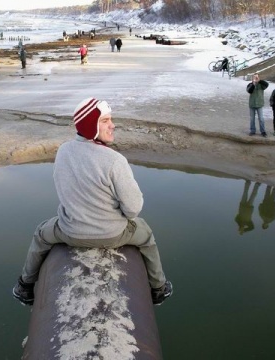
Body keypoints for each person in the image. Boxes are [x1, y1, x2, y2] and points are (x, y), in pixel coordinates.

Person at [12, 97, 173, 306]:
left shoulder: (64, 151)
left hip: (69, 233)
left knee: (41, 234)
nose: (112, 125)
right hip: (113, 235)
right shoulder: (115, 160)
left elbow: (62, 188)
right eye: (105, 120)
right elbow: (133, 209)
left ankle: (24, 287)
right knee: (146, 236)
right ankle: (158, 289)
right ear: (90, 125)